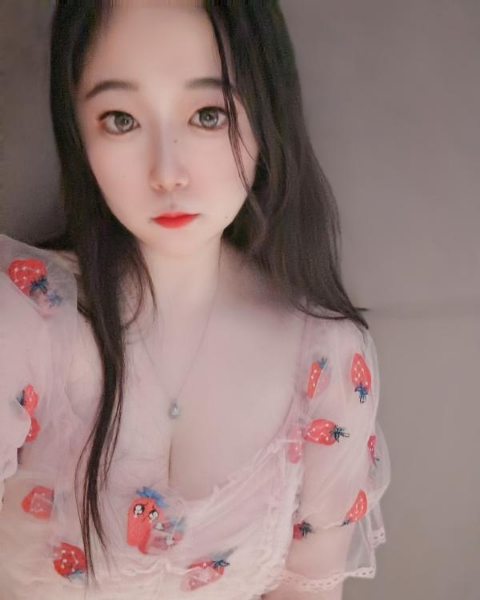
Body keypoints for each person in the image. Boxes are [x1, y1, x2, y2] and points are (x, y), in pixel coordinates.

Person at [0, 1, 390, 599]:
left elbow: (307, 589)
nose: (167, 171)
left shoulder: (326, 359)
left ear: (266, 113)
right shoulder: (24, 314)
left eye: (208, 114)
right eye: (121, 119)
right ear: (77, 130)